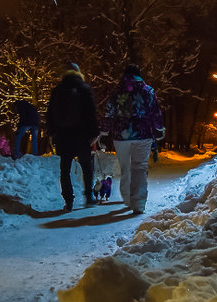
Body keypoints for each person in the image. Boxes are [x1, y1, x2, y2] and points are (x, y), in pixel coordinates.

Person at [100, 64, 165, 215]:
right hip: (143, 135)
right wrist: (159, 128)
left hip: (120, 136)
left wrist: (104, 130)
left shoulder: (116, 91)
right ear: (139, 75)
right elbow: (155, 112)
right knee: (140, 168)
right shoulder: (148, 91)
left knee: (125, 168)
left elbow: (108, 113)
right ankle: (138, 203)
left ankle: (127, 199)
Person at [47, 63, 99, 211]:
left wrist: (52, 133)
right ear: (78, 73)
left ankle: (68, 201)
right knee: (87, 167)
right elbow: (91, 114)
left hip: (63, 136)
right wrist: (94, 133)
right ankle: (89, 197)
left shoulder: (57, 90)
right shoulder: (85, 89)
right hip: (81, 136)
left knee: (65, 169)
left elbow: (50, 114)